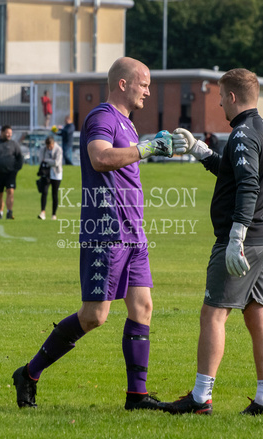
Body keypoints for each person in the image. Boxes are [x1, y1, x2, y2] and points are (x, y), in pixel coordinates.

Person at [12, 56, 173, 410]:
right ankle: (28, 373)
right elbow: (100, 157)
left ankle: (137, 397)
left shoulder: (128, 124)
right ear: (123, 84)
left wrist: (150, 146)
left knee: (142, 307)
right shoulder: (102, 117)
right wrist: (147, 149)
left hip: (134, 233)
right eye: (143, 84)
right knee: (94, 316)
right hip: (107, 230)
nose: (148, 90)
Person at [158, 68, 263, 416]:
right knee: (259, 318)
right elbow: (232, 171)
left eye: (220, 96)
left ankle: (200, 398)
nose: (218, 102)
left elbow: (248, 185)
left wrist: (236, 236)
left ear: (231, 97)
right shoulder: (262, 128)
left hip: (244, 240)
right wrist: (199, 150)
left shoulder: (242, 134)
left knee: (213, 314)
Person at [37, 136, 63, 220]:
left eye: (50, 146)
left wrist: (47, 160)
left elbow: (56, 163)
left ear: (53, 144)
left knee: (54, 194)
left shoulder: (58, 149)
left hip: (56, 174)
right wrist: (49, 161)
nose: (49, 148)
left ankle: (53, 214)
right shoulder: (43, 149)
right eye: (48, 146)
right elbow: (41, 160)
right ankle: (42, 212)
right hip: (46, 173)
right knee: (44, 192)